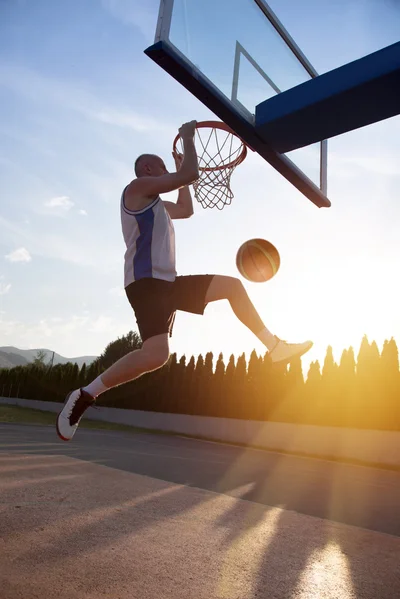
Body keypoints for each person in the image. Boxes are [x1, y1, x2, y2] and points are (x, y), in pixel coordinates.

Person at [56, 120, 313, 442]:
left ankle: (274, 346)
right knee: (155, 355)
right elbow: (190, 174)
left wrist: (181, 171)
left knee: (230, 287)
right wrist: (188, 141)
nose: (167, 173)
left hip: (168, 282)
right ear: (148, 169)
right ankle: (85, 395)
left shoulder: (157, 205)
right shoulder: (135, 189)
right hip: (146, 283)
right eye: (162, 168)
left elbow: (186, 210)